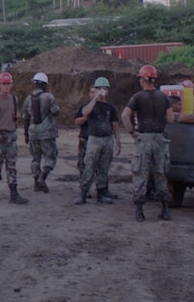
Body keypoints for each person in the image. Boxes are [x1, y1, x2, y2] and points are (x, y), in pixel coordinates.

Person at [121, 64, 175, 221]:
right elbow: (170, 118)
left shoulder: (137, 97)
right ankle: (165, 209)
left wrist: (132, 132)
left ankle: (139, 211)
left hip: (143, 138)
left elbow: (125, 116)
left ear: (143, 79)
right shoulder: (163, 97)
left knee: (140, 173)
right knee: (160, 173)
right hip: (160, 139)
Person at [75, 76, 121, 205]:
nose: (102, 91)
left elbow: (115, 124)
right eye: (99, 88)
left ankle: (102, 192)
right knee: (89, 166)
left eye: (105, 89)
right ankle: (83, 192)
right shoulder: (89, 104)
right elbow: (84, 113)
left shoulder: (110, 107)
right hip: (94, 139)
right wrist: (95, 98)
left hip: (107, 139)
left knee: (103, 167)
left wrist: (118, 141)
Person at [0, 71, 28, 204]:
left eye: (8, 84)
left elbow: (15, 114)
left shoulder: (14, 99)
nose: (6, 86)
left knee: (12, 166)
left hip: (11, 135)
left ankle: (14, 193)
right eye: (4, 84)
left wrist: (17, 116)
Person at [22, 71, 59, 192]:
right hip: (47, 133)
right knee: (50, 157)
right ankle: (42, 178)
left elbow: (25, 118)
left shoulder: (28, 99)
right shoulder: (49, 97)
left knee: (35, 158)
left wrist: (26, 134)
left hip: (33, 133)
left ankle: (36, 182)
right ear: (44, 84)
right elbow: (56, 112)